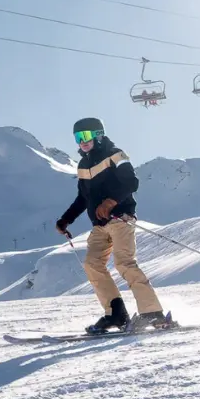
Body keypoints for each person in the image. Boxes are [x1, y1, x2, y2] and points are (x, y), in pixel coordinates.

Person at [54, 117, 170, 334]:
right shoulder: (83, 165)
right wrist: (65, 219)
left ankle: (152, 313)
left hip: (120, 218)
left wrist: (111, 202)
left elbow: (131, 182)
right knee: (92, 264)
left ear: (98, 135)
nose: (82, 142)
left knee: (124, 262)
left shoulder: (115, 154)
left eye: (85, 136)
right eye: (78, 138)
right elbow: (83, 198)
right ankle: (115, 314)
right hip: (100, 225)